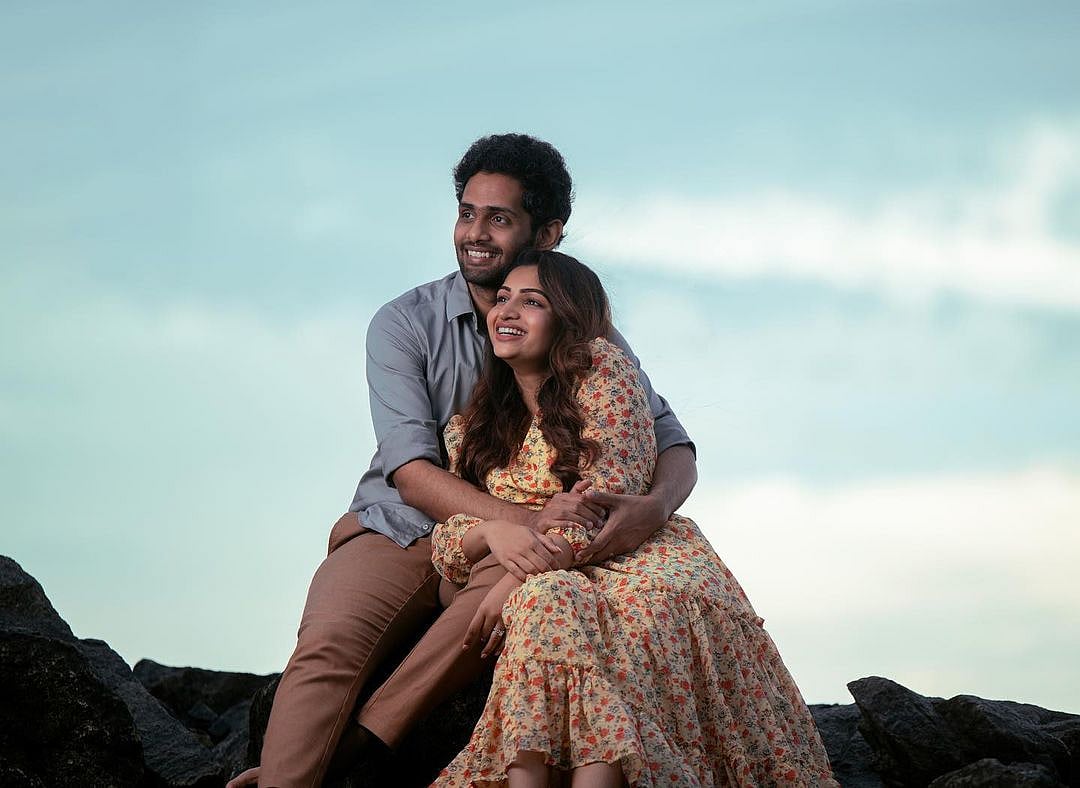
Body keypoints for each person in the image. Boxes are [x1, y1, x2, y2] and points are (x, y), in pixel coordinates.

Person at [228, 134, 697, 787]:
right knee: (328, 644)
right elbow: (409, 470)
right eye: (467, 213)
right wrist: (517, 524)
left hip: (517, 542)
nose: (475, 233)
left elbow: (668, 437)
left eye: (498, 218)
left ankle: (351, 758)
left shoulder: (582, 328)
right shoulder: (404, 323)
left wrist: (655, 507)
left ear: (547, 234)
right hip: (402, 525)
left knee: (514, 594)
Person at [430, 251, 837, 787]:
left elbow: (603, 505)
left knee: (554, 602)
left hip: (639, 560)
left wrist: (514, 576)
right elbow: (449, 542)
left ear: (568, 318)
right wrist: (491, 530)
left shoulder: (605, 373)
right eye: (503, 298)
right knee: (548, 597)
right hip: (559, 573)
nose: (507, 310)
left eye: (532, 302)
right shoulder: (476, 424)